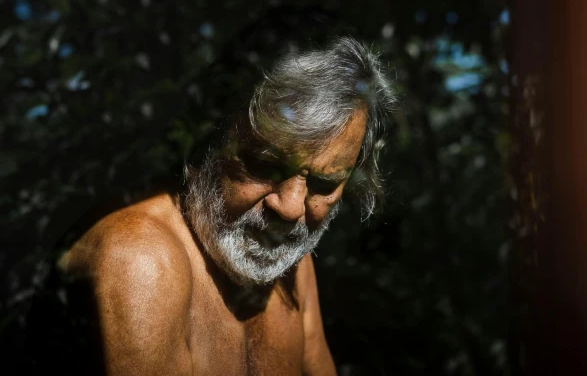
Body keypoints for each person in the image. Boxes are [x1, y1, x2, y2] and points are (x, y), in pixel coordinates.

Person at [27, 35, 396, 375]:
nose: (291, 208)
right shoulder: (140, 258)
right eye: (265, 165)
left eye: (325, 183)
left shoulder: (290, 263)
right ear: (209, 137)